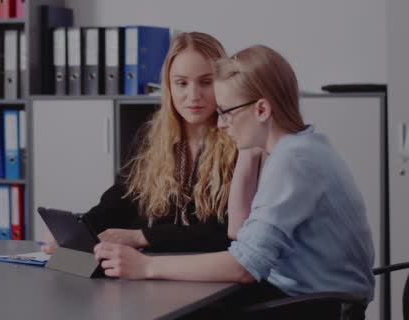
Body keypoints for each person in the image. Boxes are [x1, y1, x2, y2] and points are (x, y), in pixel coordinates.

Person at [93, 45, 375, 316]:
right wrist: (248, 151)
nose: (220, 124)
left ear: (261, 110)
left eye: (226, 112)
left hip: (316, 307)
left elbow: (245, 267)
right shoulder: (298, 147)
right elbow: (237, 231)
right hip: (300, 296)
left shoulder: (294, 160)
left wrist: (146, 266)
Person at [41, 32, 263, 254]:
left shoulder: (241, 139)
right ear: (168, 86)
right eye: (181, 83)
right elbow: (121, 199)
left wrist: (142, 237)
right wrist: (78, 231)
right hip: (150, 268)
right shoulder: (153, 135)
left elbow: (226, 231)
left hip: (205, 269)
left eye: (206, 82)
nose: (193, 95)